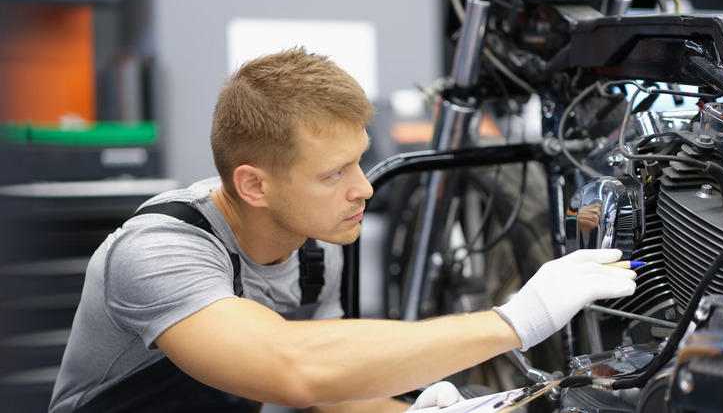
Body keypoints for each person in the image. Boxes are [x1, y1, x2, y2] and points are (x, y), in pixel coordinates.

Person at [48, 47, 637, 413]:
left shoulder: (313, 250)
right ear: (255, 186)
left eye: (359, 160)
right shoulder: (158, 250)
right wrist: (519, 319)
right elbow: (293, 368)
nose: (365, 188)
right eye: (334, 174)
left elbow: (332, 397)